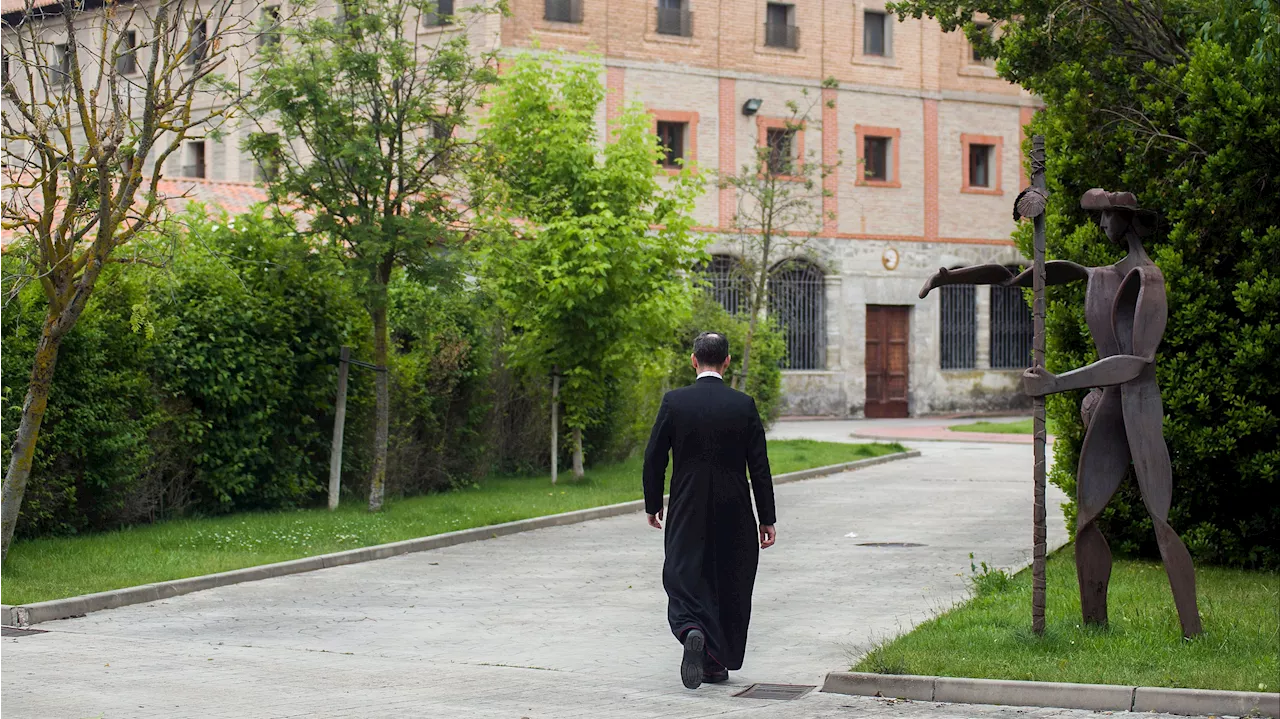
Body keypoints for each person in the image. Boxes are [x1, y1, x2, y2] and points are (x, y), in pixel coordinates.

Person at [918, 188, 1202, 638]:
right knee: (1088, 518)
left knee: (1160, 517)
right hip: (1110, 403)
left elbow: (1139, 362)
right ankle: (1095, 626)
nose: (1100, 225)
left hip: (1140, 403)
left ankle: (1193, 629)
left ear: (1125, 219)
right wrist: (950, 278)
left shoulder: (1150, 280)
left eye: (1106, 217)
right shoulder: (1099, 276)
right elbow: (1020, 276)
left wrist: (1057, 383)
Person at [642, 331, 777, 689]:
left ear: (693, 359)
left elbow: (654, 458)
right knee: (730, 578)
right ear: (728, 362)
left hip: (687, 504)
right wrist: (767, 518)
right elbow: (759, 467)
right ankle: (716, 663)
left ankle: (691, 630)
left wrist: (653, 504)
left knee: (683, 574)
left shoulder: (675, 402)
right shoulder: (743, 404)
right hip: (734, 506)